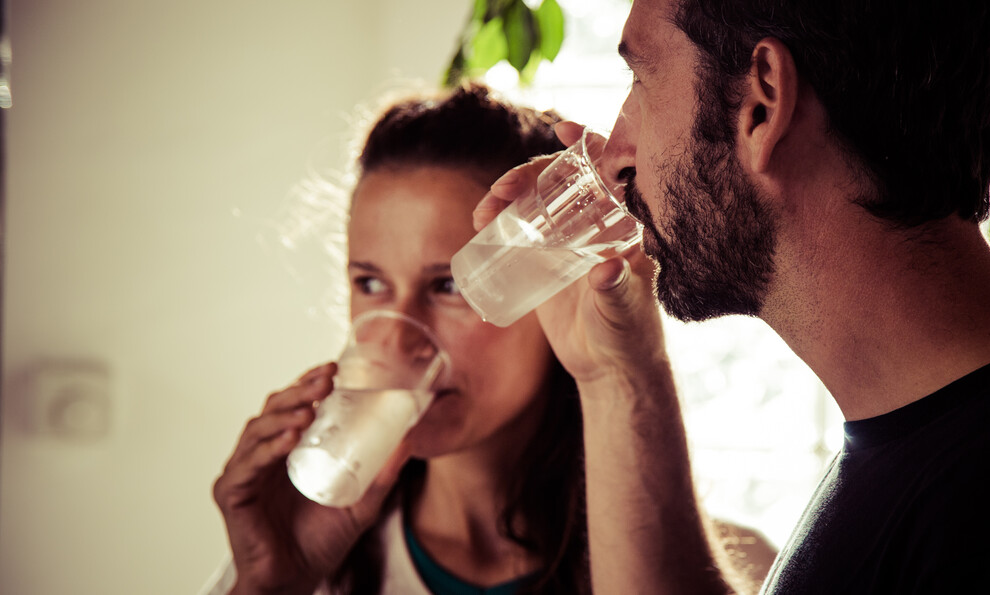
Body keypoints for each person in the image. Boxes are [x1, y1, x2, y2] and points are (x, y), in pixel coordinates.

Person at [474, 0, 990, 592]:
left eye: (640, 81)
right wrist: (610, 374)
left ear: (762, 103)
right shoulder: (954, 439)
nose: (614, 151)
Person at [203, 83, 774, 595]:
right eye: (370, 282)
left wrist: (623, 372)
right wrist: (268, 585)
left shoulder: (715, 567)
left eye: (450, 284)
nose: (402, 340)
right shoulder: (295, 554)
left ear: (554, 279)